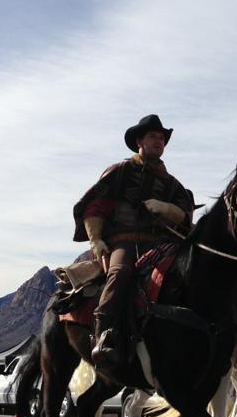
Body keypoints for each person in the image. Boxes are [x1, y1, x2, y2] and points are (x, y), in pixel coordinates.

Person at [72, 114, 195, 375]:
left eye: (162, 138)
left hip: (161, 244)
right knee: (121, 272)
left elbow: (185, 215)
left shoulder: (173, 184)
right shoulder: (121, 172)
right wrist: (96, 241)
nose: (158, 141)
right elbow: (95, 206)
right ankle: (103, 335)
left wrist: (167, 208)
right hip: (123, 241)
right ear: (139, 141)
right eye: (153, 136)